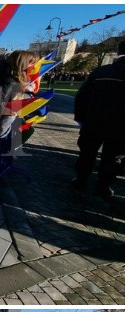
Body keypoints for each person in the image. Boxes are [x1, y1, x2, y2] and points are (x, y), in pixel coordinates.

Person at [72, 41, 124, 199]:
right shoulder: (101, 72)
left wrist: (81, 118)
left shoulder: (101, 71)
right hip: (120, 126)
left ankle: (81, 180)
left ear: (117, 51)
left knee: (87, 152)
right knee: (114, 157)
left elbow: (82, 97)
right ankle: (104, 185)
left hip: (94, 121)